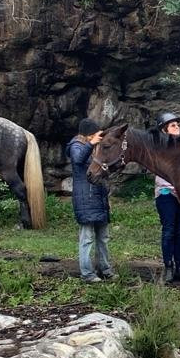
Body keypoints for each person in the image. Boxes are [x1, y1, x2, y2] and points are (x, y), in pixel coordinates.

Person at [67, 118, 114, 283]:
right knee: (87, 238)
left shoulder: (94, 148)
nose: (98, 138)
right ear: (88, 134)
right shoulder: (76, 145)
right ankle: (87, 274)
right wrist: (91, 143)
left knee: (103, 237)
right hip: (85, 198)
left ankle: (105, 269)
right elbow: (78, 160)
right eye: (95, 134)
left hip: (99, 198)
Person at [154, 112, 180, 283]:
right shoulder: (159, 149)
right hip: (166, 193)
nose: (177, 127)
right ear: (164, 130)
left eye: (177, 125)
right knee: (168, 230)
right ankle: (168, 267)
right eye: (173, 125)